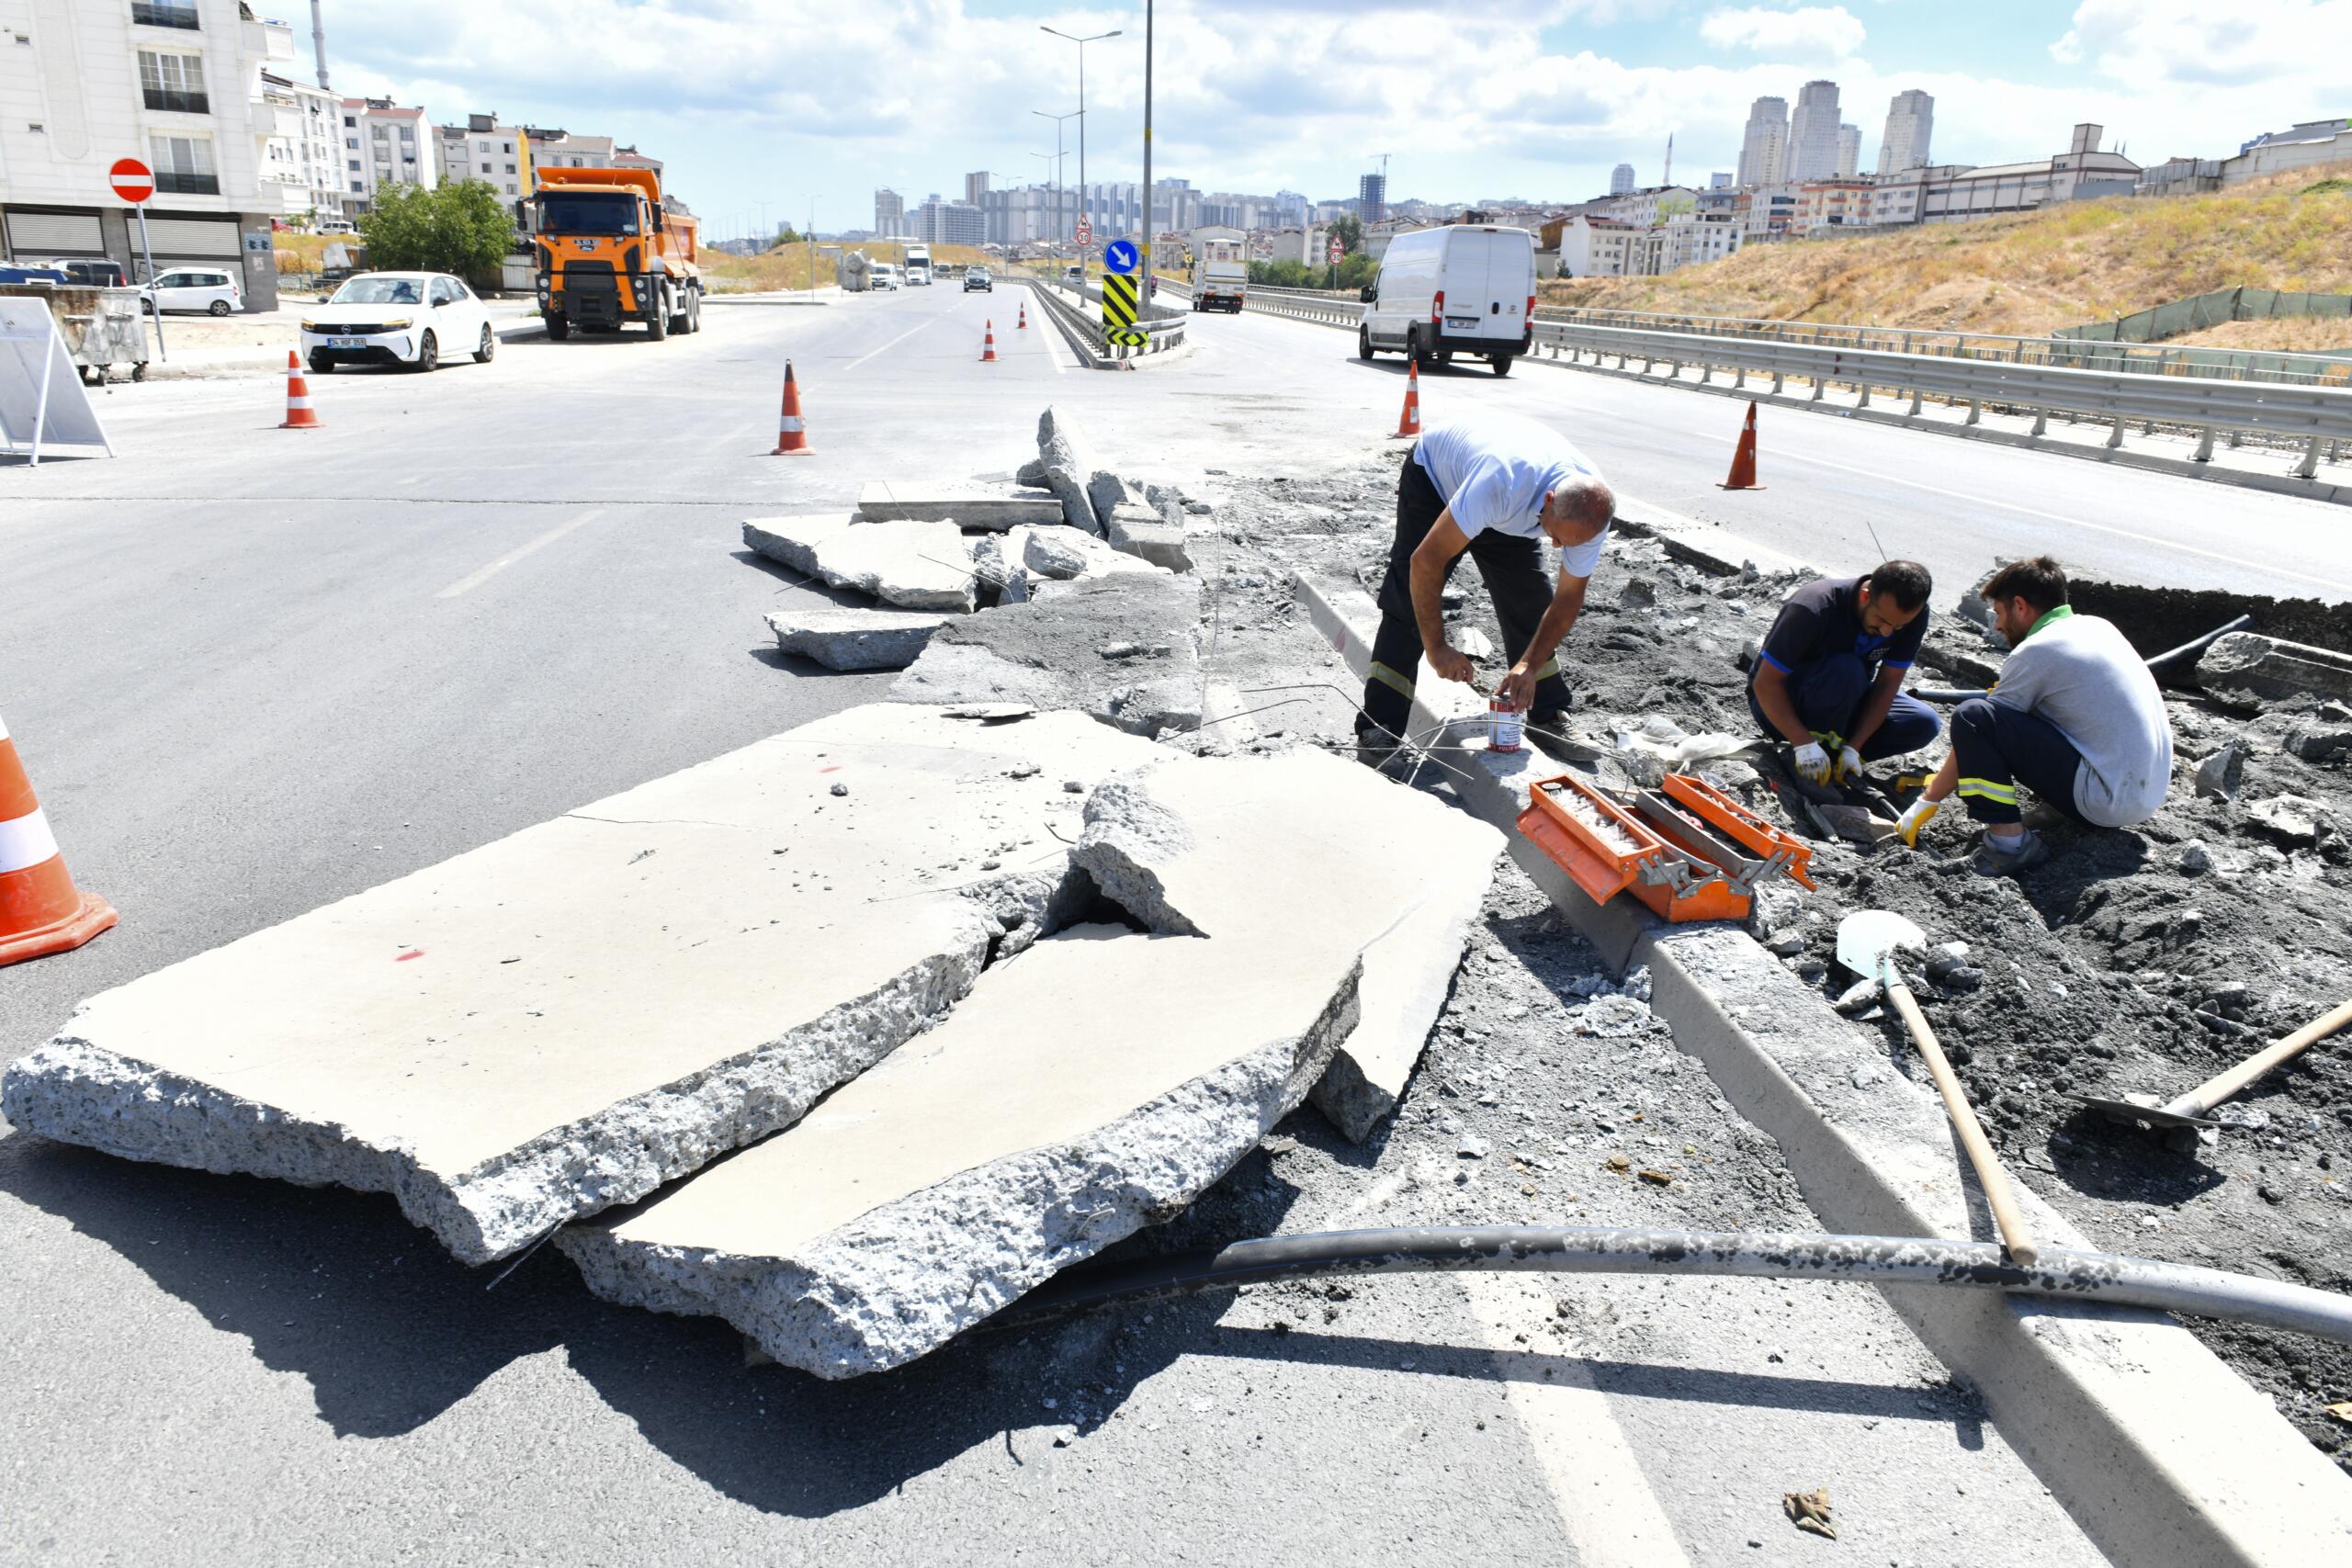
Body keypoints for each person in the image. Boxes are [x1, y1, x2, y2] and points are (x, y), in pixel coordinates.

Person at [1357, 411, 1614, 764]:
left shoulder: (1590, 511)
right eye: (1555, 537)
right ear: (1550, 499)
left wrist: (1528, 664)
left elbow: (1569, 599)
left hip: (1513, 509)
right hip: (1437, 482)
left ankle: (1547, 713)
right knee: (1407, 605)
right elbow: (1425, 563)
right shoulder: (1501, 483)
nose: (1557, 547)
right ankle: (1379, 727)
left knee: (1532, 603)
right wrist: (1437, 648)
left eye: (1566, 544)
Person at [1894, 557, 2174, 874]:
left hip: (2104, 801)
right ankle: (2060, 809)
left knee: (1973, 715)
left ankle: (2008, 845)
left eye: (1999, 613)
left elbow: (1981, 727)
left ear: (2020, 605)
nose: (1998, 625)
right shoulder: (2098, 626)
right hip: (2145, 796)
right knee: (2023, 710)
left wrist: (1927, 801)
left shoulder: (2038, 650)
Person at [1748, 561, 1940, 786]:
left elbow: (1887, 684)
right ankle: (1806, 755)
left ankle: (1838, 759)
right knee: (1846, 669)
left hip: (1845, 697)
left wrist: (1855, 747)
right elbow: (1765, 683)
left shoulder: (1911, 616)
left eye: (1898, 627)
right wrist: (1803, 743)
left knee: (1923, 722)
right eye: (1882, 620)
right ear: (1865, 597)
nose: (1887, 631)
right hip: (1779, 705)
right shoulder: (1814, 606)